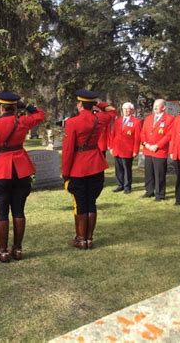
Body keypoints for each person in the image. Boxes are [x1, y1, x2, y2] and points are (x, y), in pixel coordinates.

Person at [0, 92, 45, 262]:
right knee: (19, 210)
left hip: (1, 172)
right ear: (15, 107)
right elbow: (40, 115)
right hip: (21, 170)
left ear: (1, 107)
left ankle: (3, 252)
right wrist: (26, 106)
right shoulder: (23, 121)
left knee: (1, 212)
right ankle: (17, 249)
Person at [62, 90, 116, 250]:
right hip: (96, 164)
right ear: (91, 105)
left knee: (80, 204)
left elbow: (68, 151)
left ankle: (80, 238)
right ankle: (89, 239)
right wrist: (98, 103)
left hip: (78, 167)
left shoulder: (72, 122)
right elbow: (112, 111)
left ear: (79, 104)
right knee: (91, 202)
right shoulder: (100, 119)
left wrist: (65, 173)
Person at [140, 99, 174, 201]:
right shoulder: (148, 118)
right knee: (148, 172)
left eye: (157, 106)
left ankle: (160, 194)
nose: (155, 108)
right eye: (154, 106)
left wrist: (157, 145)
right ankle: (149, 191)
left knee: (159, 173)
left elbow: (169, 135)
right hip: (148, 150)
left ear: (163, 107)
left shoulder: (169, 119)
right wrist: (145, 144)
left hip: (159, 151)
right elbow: (143, 133)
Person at [110, 102, 141, 194]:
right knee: (118, 169)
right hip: (117, 149)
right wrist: (111, 147)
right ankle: (120, 185)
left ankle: (127, 187)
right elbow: (113, 134)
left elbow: (137, 137)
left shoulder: (136, 121)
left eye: (128, 109)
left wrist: (135, 150)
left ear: (132, 110)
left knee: (127, 169)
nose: (126, 110)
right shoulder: (118, 120)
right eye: (124, 109)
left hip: (128, 150)